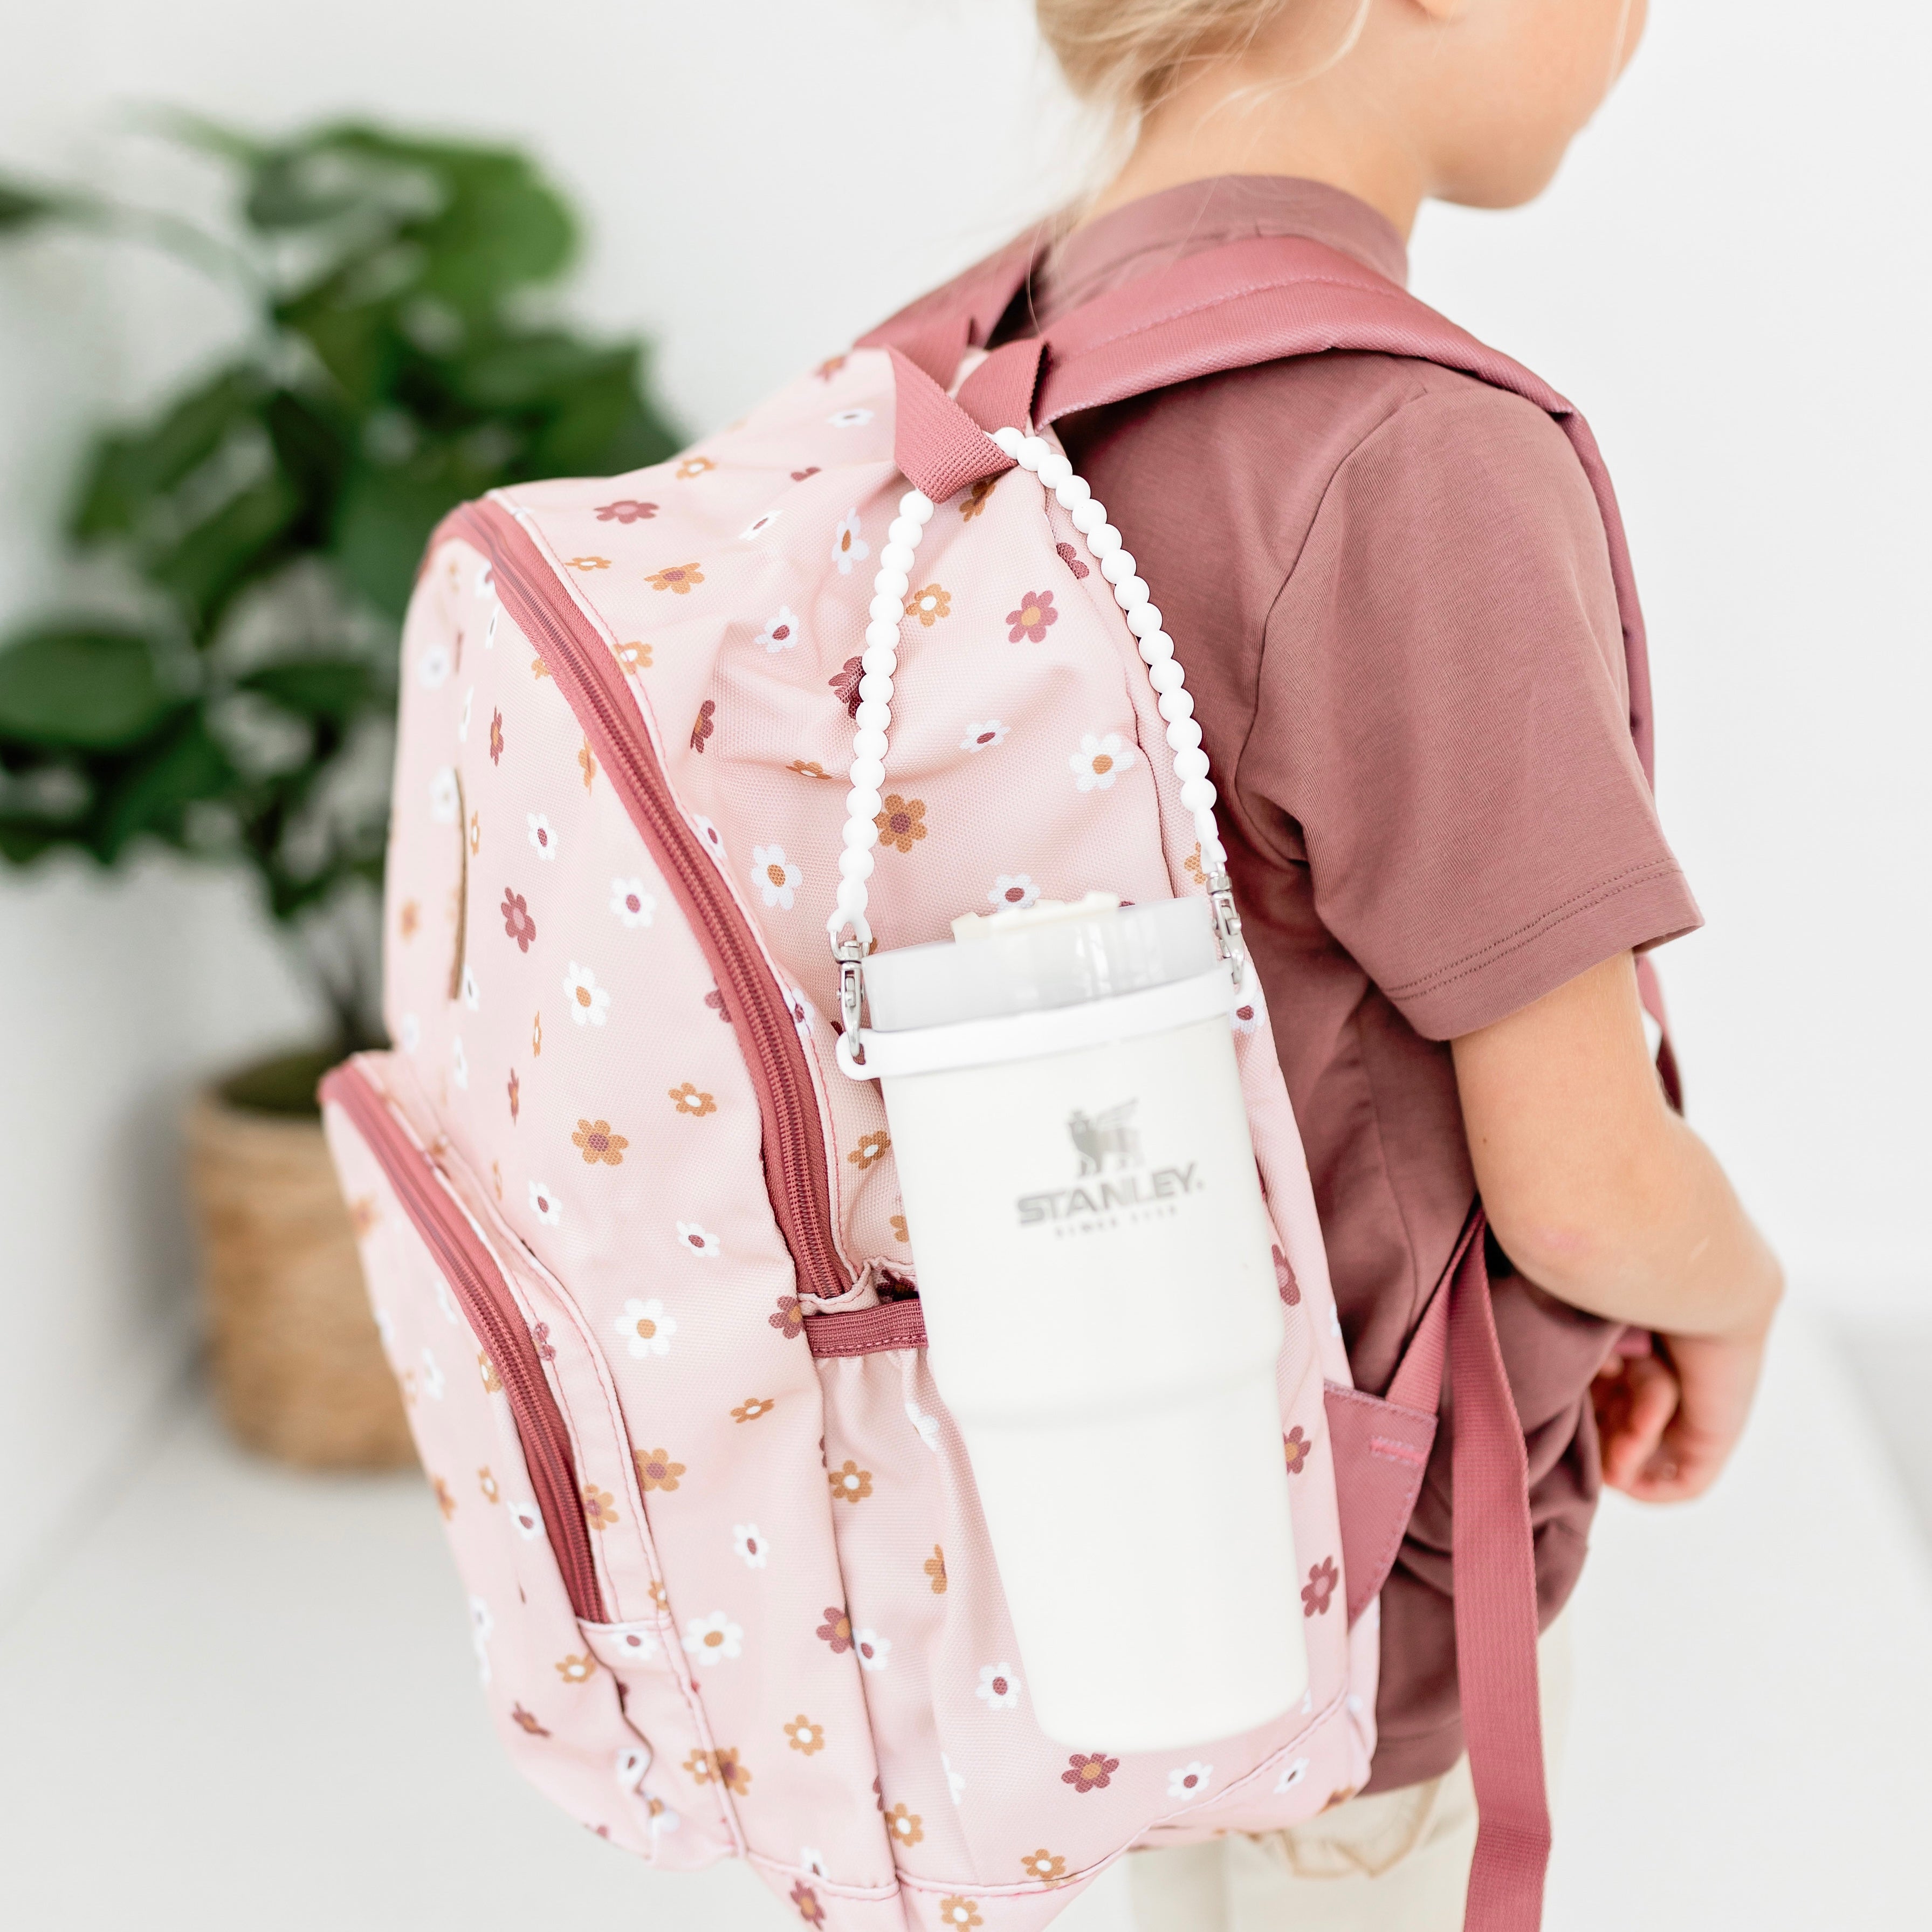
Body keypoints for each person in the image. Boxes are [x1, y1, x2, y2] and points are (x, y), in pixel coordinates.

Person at [1002, 2, 1786, 1925]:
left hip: (1076, 1513)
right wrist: (1741, 1293)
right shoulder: (1404, 453)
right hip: (1358, 1594)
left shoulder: (999, 353)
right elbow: (1589, 1193)